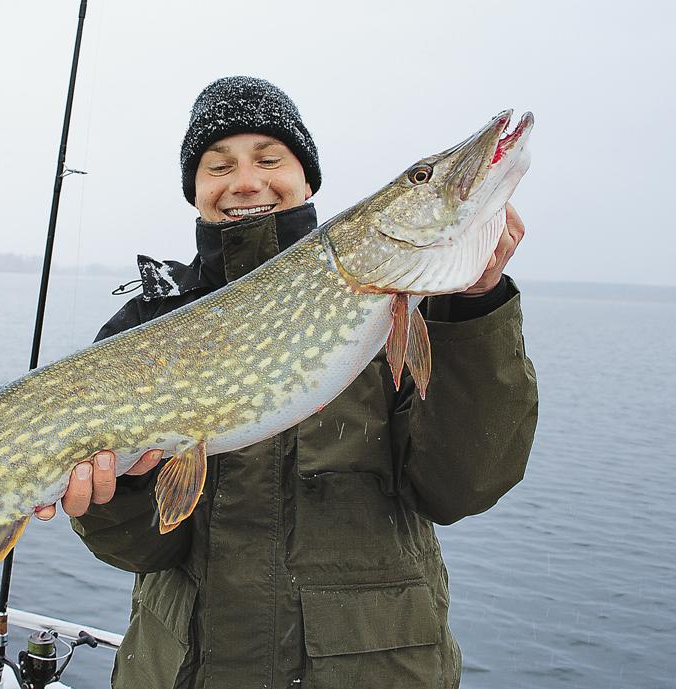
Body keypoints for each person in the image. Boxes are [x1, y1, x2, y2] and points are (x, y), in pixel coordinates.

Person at [34, 76, 538, 689]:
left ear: (307, 180)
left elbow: (460, 488)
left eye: (269, 160)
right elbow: (145, 552)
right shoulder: (147, 325)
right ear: (196, 190)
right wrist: (117, 498)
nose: (245, 182)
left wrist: (478, 304)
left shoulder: (418, 316)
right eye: (218, 167)